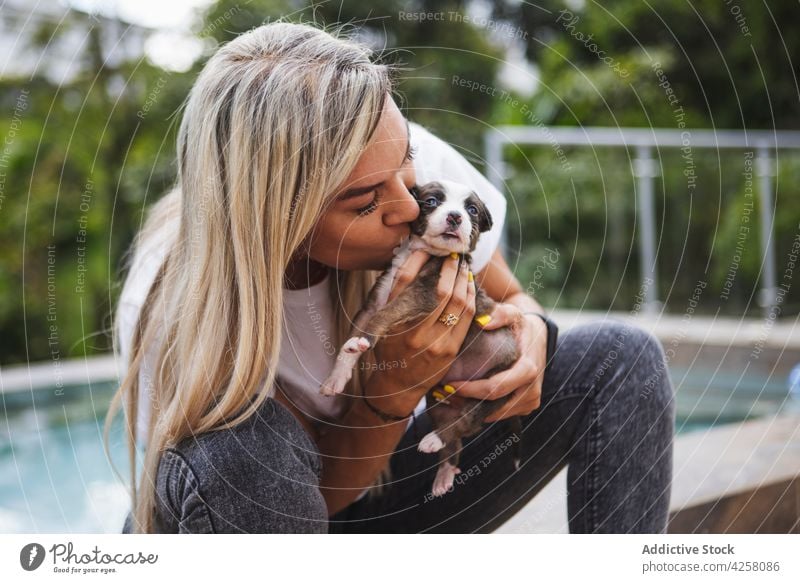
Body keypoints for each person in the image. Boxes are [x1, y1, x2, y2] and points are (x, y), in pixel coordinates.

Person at [112, 20, 675, 534]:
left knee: (620, 359)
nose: (408, 208)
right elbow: (288, 506)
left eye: (409, 173)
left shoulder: (400, 166)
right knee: (239, 456)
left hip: (399, 480)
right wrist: (392, 393)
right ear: (279, 216)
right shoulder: (171, 310)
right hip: (283, 517)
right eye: (364, 202)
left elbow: (517, 300)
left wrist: (528, 337)